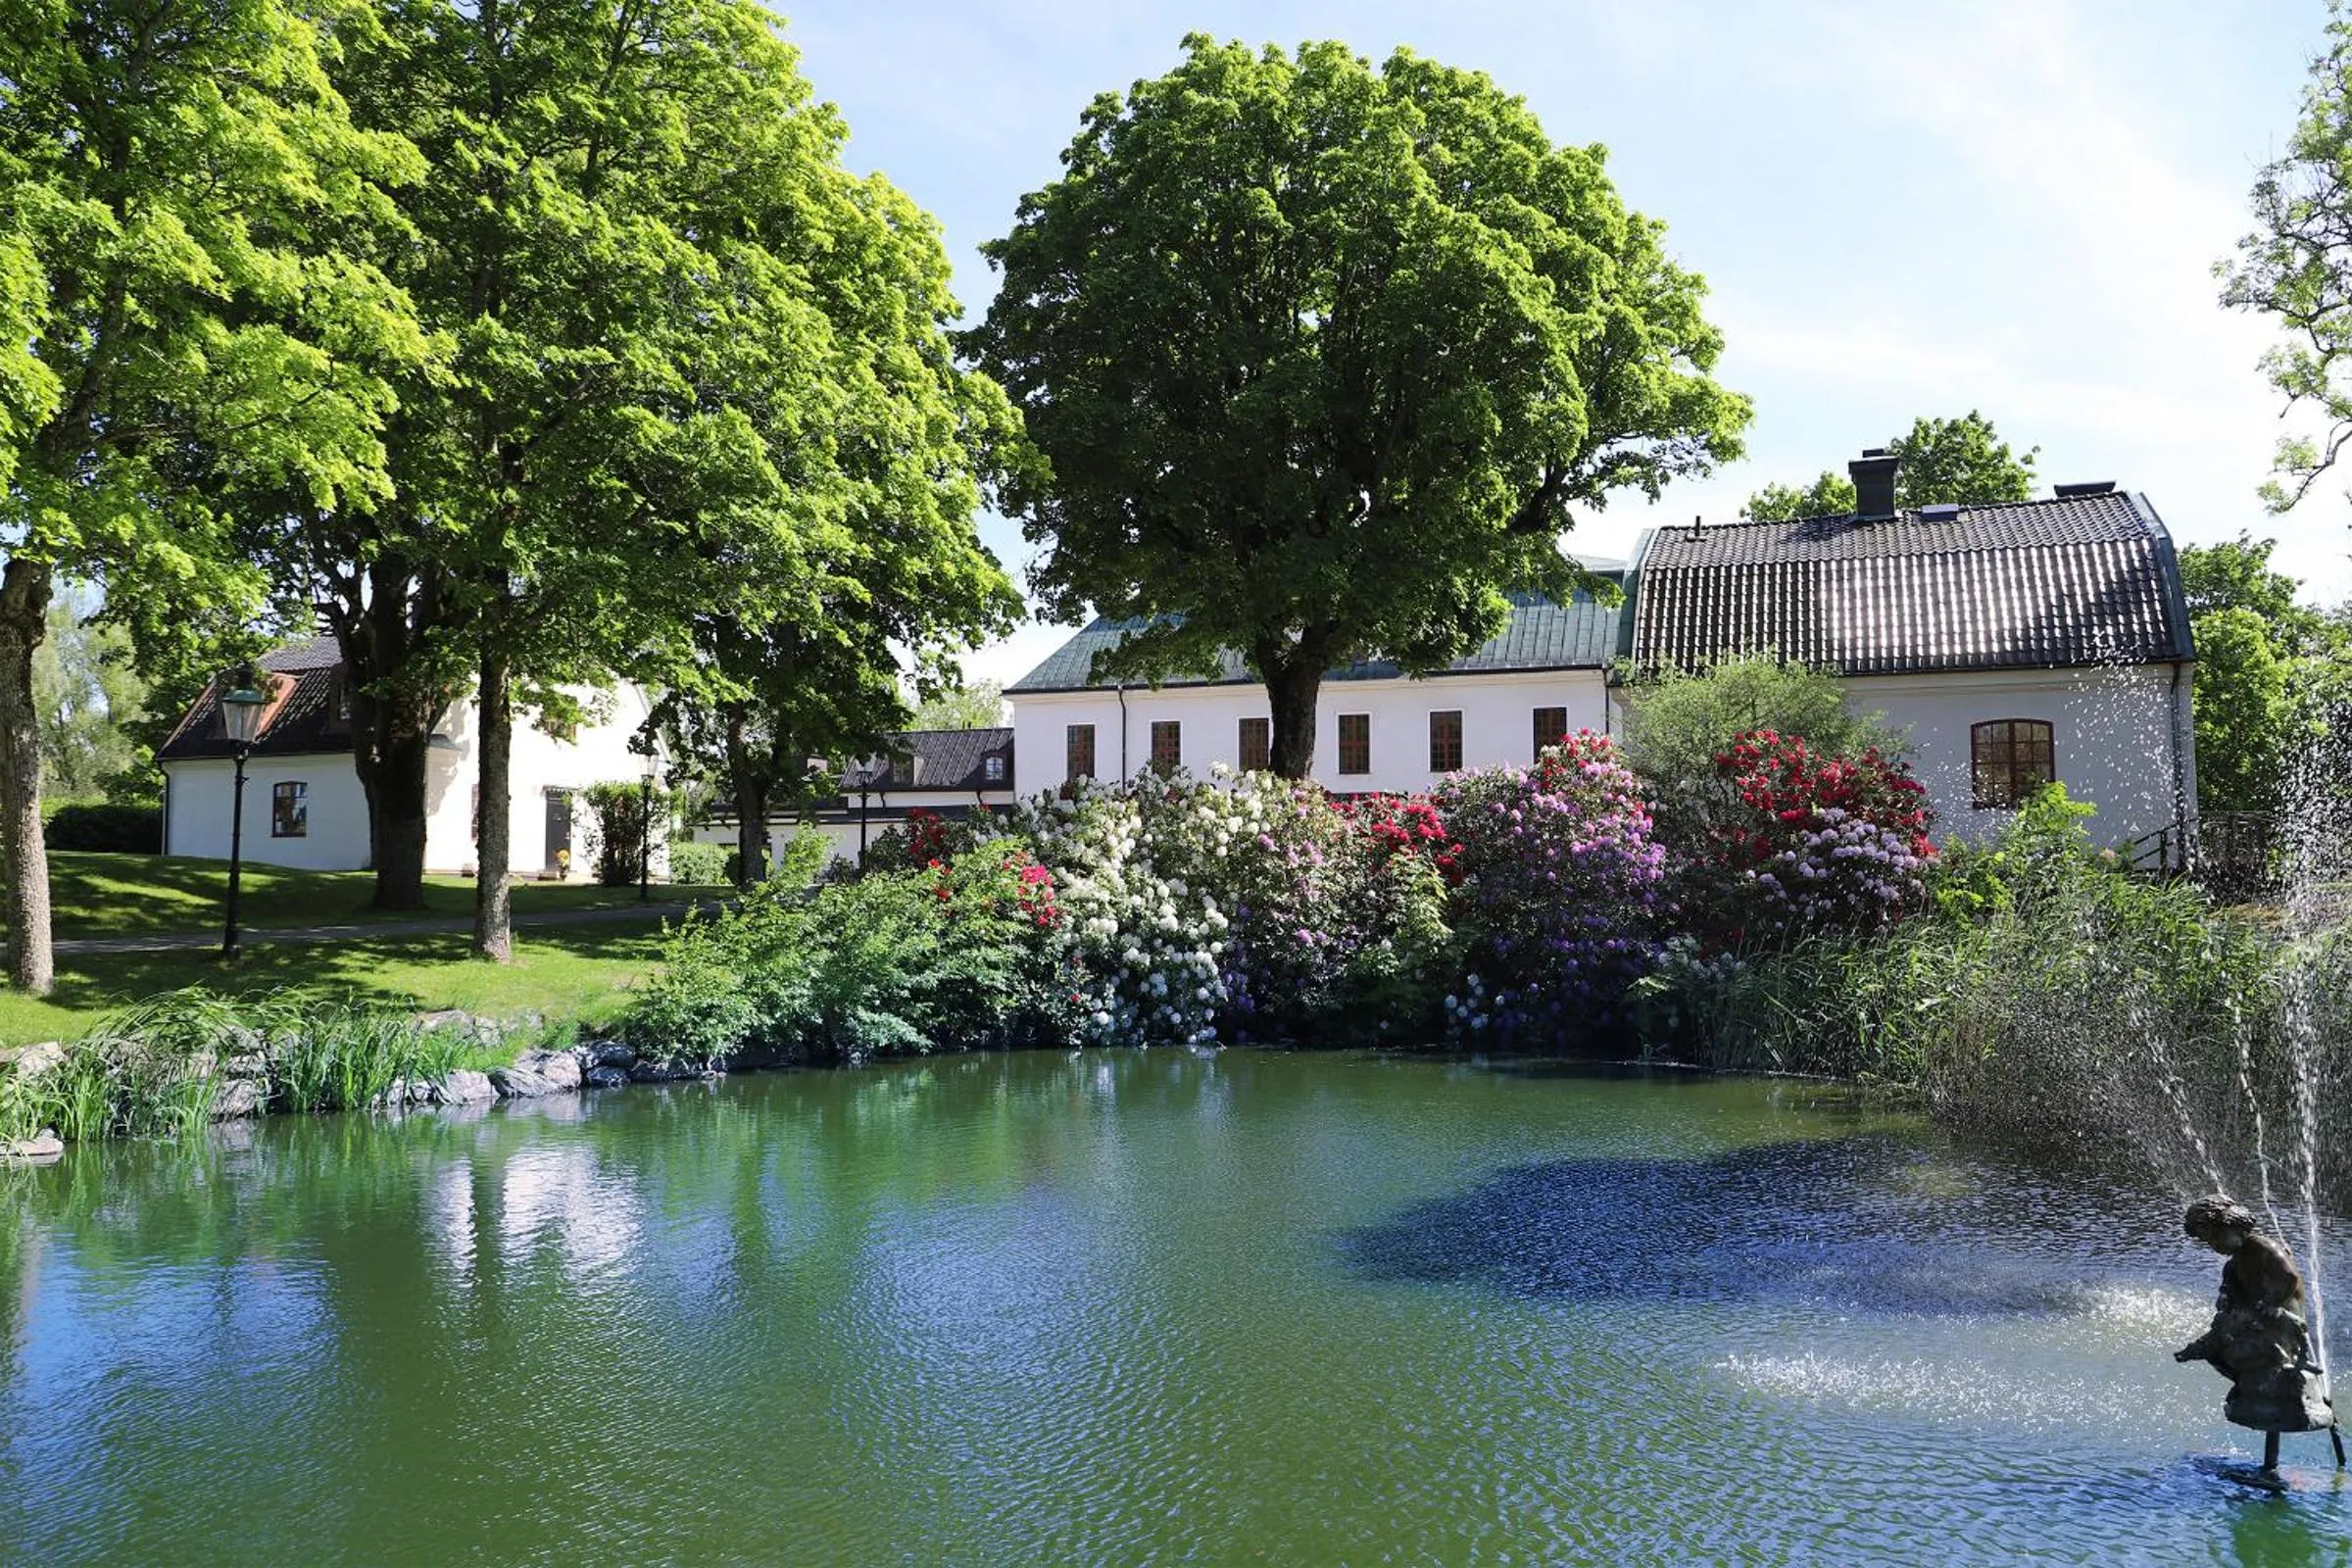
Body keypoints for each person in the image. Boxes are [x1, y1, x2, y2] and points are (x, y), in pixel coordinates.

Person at [2174, 1194, 2335, 1474]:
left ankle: (2257, 1374)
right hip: (2261, 1324)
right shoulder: (2234, 1263)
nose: (2212, 1246)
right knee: (2219, 1346)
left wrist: (2269, 1303)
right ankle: (2246, 1382)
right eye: (2207, 1241)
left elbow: (2289, 1278)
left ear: (2232, 1226)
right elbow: (2230, 1291)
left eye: (2214, 1237)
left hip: (2282, 1327)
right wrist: (2226, 1298)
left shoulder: (2262, 1246)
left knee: (2230, 1344)